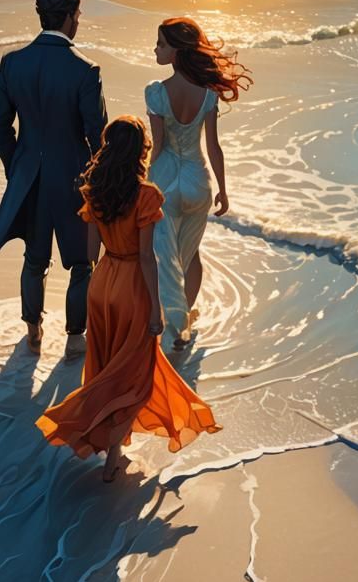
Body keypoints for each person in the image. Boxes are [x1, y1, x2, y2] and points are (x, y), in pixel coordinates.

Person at [36, 116, 221, 481]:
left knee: (108, 369)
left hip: (103, 285)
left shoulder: (95, 191)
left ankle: (112, 451)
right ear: (141, 151)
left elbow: (91, 252)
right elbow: (147, 258)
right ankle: (107, 458)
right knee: (133, 377)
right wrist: (156, 308)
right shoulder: (147, 195)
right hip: (133, 286)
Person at [0, 0, 108, 360]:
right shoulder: (85, 69)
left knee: (35, 258)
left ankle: (33, 330)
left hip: (29, 177)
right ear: (69, 17)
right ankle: (74, 338)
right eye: (78, 16)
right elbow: (96, 134)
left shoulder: (12, 62)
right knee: (81, 262)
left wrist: (15, 167)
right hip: (74, 177)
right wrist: (97, 180)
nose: (79, 22)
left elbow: (1, 125)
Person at [146, 17, 252, 350]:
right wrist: (223, 188)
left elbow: (158, 144)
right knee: (190, 256)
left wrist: (143, 179)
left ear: (177, 51)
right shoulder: (208, 95)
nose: (156, 49)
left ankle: (170, 321)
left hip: (165, 181)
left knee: (164, 257)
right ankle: (183, 323)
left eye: (162, 44)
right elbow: (214, 146)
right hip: (198, 181)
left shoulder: (157, 92)